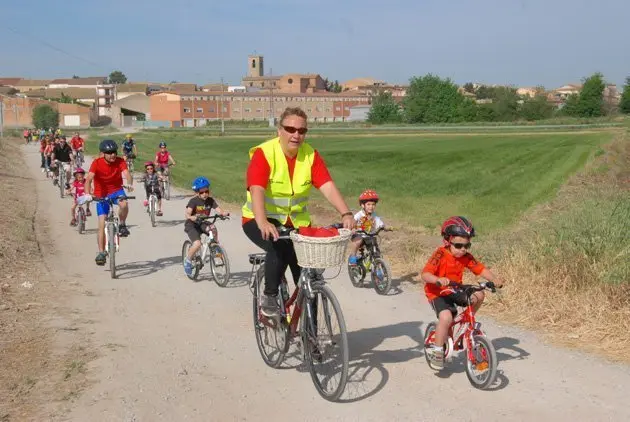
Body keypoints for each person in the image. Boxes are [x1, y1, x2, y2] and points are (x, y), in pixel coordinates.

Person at [242, 106, 355, 317]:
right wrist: (262, 221)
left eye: (301, 131)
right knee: (278, 248)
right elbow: (256, 188)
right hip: (259, 219)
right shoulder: (264, 153)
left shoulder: (310, 155)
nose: (296, 135)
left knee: (308, 277)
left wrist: (346, 213)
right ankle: (270, 296)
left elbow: (327, 186)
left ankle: (310, 339)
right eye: (290, 129)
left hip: (297, 223)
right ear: (279, 130)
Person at [420, 216, 504, 367]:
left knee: (479, 294)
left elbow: (480, 269)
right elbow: (425, 274)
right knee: (446, 318)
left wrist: (495, 279)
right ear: (447, 241)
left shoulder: (465, 256)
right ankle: (437, 351)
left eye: (467, 245)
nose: (463, 249)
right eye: (458, 246)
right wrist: (437, 279)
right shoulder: (439, 254)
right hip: (437, 291)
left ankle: (467, 321)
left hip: (454, 288)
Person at [84, 140, 134, 266]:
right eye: (109, 153)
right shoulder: (96, 163)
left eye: (114, 152)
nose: (112, 155)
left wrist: (129, 183)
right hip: (101, 194)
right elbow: (89, 179)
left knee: (124, 204)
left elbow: (127, 174)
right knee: (101, 223)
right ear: (103, 153)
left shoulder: (120, 161)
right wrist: (87, 194)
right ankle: (101, 252)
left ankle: (122, 224)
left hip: (116, 190)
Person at [183, 177, 229, 276]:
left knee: (212, 227)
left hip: (202, 223)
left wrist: (223, 213)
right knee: (197, 244)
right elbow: (187, 214)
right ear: (197, 192)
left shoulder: (210, 200)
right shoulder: (193, 201)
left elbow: (218, 210)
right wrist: (192, 217)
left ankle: (214, 245)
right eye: (202, 192)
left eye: (206, 191)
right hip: (192, 224)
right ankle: (188, 261)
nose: (205, 194)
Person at [348, 189, 386, 265]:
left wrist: (386, 227)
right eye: (368, 204)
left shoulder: (374, 216)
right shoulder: (359, 214)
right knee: (358, 241)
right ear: (362, 205)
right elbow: (353, 222)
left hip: (369, 236)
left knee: (375, 248)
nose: (371, 207)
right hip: (359, 235)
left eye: (373, 204)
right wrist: (353, 228)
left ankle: (378, 263)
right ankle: (353, 257)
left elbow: (381, 224)